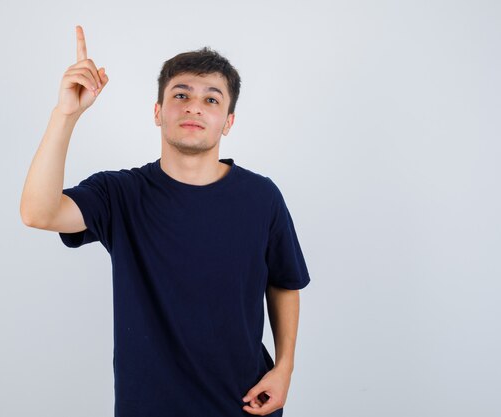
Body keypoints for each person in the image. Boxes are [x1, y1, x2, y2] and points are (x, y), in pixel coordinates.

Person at [20, 25, 311, 417]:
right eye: (181, 95)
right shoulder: (120, 194)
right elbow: (38, 212)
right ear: (158, 112)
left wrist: (284, 368)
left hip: (246, 404)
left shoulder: (262, 197)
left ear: (228, 121)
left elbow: (284, 282)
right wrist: (65, 115)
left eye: (211, 99)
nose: (194, 106)